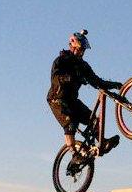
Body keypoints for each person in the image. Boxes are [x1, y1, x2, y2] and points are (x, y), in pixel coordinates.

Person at [46, 29, 123, 163]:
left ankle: (102, 143)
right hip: (57, 99)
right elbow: (55, 79)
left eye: (83, 51)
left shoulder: (83, 66)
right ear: (72, 47)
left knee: (94, 120)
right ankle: (74, 154)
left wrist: (115, 85)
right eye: (79, 49)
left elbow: (97, 82)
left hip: (72, 100)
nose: (81, 53)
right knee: (70, 123)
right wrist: (70, 77)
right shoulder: (61, 61)